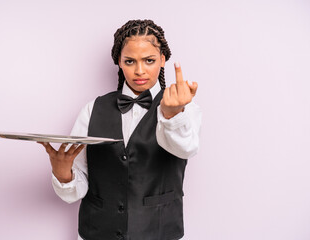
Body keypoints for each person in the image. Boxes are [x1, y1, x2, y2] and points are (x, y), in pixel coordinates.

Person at [38, 19, 202, 240]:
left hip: (160, 232)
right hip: (96, 232)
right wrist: (62, 173)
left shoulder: (184, 106)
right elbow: (77, 187)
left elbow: (186, 149)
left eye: (149, 60)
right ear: (119, 62)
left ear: (162, 60)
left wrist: (172, 115)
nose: (140, 70)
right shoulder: (92, 109)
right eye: (130, 61)